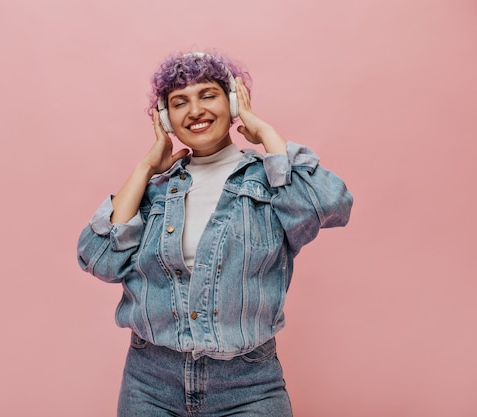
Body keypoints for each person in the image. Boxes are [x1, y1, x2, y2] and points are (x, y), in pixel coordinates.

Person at [77, 50, 353, 417]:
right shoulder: (157, 190)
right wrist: (145, 166)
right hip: (150, 383)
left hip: (249, 385)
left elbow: (331, 204)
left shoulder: (272, 181)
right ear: (166, 118)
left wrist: (267, 133)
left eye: (208, 95)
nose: (195, 110)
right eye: (179, 102)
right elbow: (99, 258)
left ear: (233, 101)